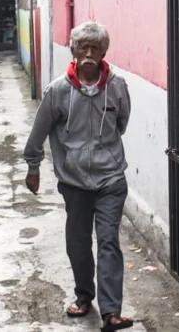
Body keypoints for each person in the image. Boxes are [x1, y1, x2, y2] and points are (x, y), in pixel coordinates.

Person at [23, 21, 134, 332]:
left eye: (95, 48)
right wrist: (33, 166)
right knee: (78, 242)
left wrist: (104, 152)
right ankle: (84, 295)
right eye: (83, 47)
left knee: (109, 241)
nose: (89, 53)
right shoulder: (57, 91)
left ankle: (111, 312)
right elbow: (39, 132)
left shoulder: (117, 86)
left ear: (103, 52)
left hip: (111, 179)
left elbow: (121, 123)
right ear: (73, 51)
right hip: (74, 182)